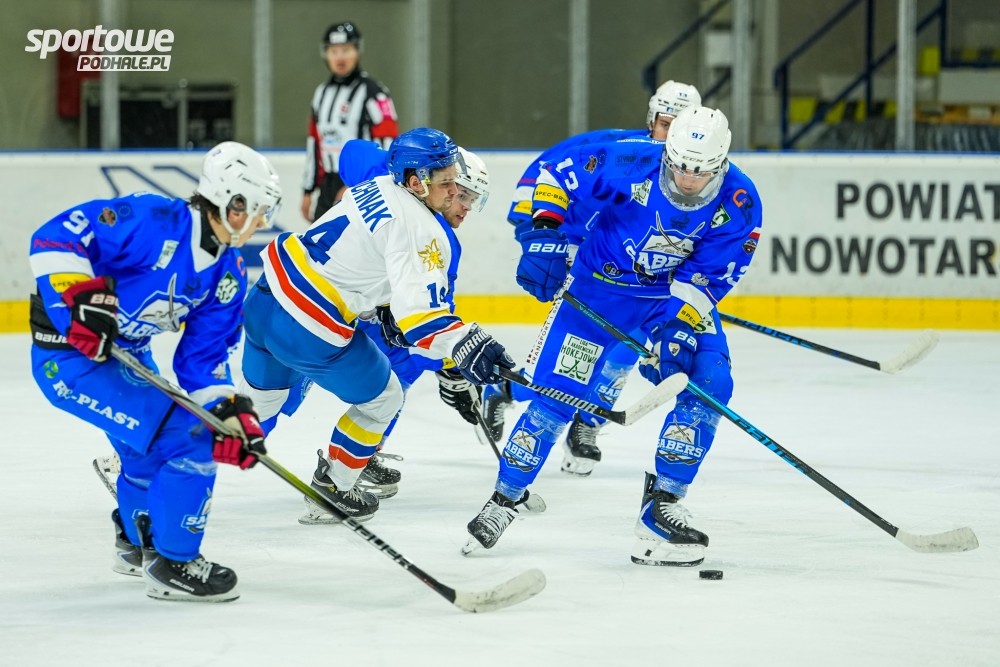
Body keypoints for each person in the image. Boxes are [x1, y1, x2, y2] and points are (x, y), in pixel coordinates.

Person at [464, 106, 763, 569]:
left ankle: (662, 506)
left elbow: (710, 276)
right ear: (667, 152)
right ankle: (506, 497)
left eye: (701, 171)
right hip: (597, 292)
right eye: (680, 166)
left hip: (669, 297)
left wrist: (678, 327)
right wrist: (545, 233)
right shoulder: (630, 158)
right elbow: (556, 174)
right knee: (556, 395)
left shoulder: (740, 202)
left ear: (721, 163)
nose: (687, 179)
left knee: (710, 381)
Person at [29, 142, 282, 602]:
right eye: (258, 209)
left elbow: (202, 361)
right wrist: (76, 302)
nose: (262, 221)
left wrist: (229, 410)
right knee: (191, 438)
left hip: (128, 355)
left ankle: (137, 543)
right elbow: (56, 236)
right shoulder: (154, 220)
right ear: (232, 202)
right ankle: (174, 562)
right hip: (70, 358)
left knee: (147, 453)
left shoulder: (228, 274)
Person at [238, 127, 515, 524]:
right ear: (418, 182)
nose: (459, 198)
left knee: (248, 415)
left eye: (464, 190)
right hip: (310, 327)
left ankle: (168, 463)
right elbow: (424, 319)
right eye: (450, 185)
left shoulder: (381, 178)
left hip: (265, 297)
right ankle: (334, 487)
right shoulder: (428, 233)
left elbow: (353, 152)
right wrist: (465, 349)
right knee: (385, 398)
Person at [481, 80, 702, 478]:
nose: (674, 137)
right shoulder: (617, 151)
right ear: (651, 120)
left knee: (627, 348)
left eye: (682, 127)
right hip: (579, 254)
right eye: (667, 124)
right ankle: (506, 389)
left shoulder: (689, 179)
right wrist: (541, 239)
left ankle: (588, 423)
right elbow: (543, 177)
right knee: (574, 359)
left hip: (633, 277)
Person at [301, 21, 400, 222]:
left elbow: (388, 142)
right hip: (328, 185)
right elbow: (315, 143)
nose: (340, 57)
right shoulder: (321, 93)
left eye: (346, 50)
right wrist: (308, 190)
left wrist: (358, 184)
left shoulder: (373, 92)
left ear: (357, 52)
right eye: (334, 51)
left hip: (364, 186)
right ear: (326, 54)